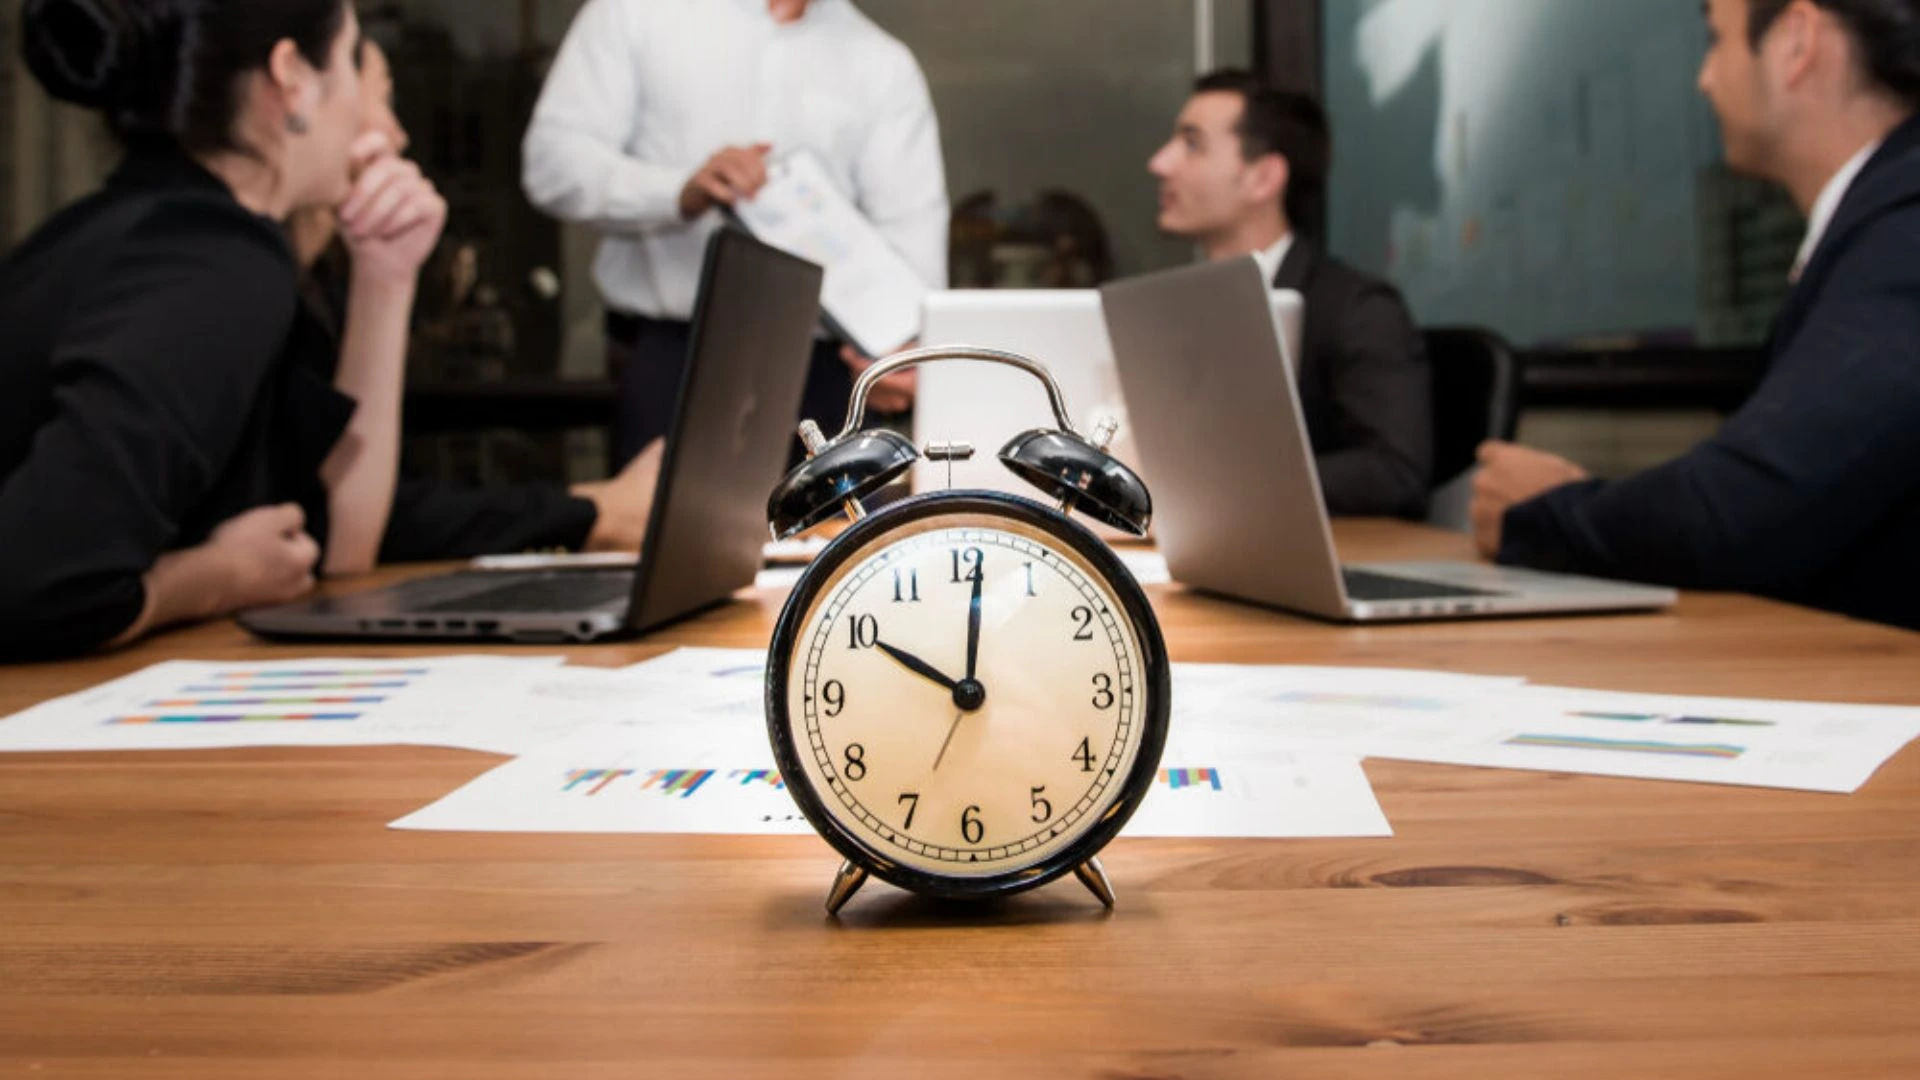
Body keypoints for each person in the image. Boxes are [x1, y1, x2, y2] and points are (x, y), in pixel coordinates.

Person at [0, 0, 446, 660]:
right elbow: (34, 587)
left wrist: (386, 276)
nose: (369, 112)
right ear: (292, 79)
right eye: (351, 60)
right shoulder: (212, 264)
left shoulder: (159, 233)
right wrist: (211, 579)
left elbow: (338, 544)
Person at [1473, 0, 1920, 630]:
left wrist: (1548, 513)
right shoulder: (1878, 218)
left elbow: (1748, 507)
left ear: (1798, 41)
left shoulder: (1905, 225)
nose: (1704, 79)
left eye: (1717, 42)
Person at [521, 0, 947, 465]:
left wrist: (904, 349)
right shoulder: (634, 13)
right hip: (676, 362)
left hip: (827, 372)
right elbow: (553, 166)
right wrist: (677, 191)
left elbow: (911, 232)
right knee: (659, 534)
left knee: (836, 537)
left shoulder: (881, 62)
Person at [288, 39, 664, 563]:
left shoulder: (326, 282)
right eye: (382, 98)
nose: (398, 137)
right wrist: (592, 511)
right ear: (291, 88)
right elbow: (349, 527)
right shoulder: (254, 288)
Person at [1149, 70, 1433, 520]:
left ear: (1263, 177)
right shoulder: (1166, 309)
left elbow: (1394, 470)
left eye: (1192, 144)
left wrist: (1227, 488)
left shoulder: (1357, 308)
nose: (1161, 163)